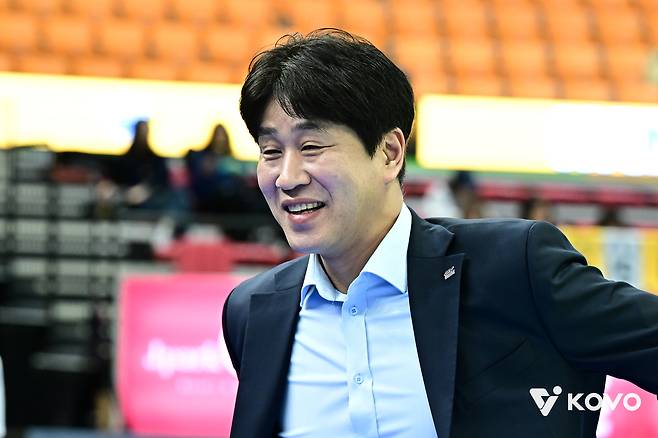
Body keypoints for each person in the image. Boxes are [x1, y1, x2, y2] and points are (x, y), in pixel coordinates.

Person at [221, 29, 658, 438]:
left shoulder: (514, 267)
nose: (287, 177)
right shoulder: (252, 313)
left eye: (311, 147)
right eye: (270, 151)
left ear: (389, 153)